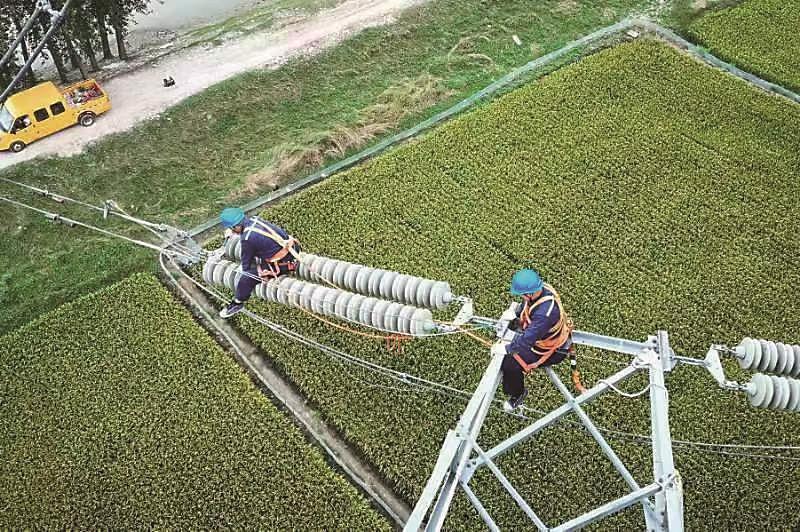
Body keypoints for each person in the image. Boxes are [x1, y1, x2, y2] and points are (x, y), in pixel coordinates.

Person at [491, 269, 574, 412]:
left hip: (551, 350)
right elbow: (528, 306)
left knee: (509, 364)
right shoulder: (543, 289)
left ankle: (518, 394)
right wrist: (515, 313)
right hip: (544, 335)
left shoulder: (544, 315)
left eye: (522, 295)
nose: (522, 298)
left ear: (529, 294)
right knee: (512, 340)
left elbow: (527, 341)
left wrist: (506, 349)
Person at [218, 207, 301, 318]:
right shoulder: (255, 219)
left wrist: (249, 271)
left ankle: (237, 303)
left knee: (246, 278)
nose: (233, 232)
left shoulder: (247, 238)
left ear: (235, 226)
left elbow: (246, 263)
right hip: (293, 247)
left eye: (232, 229)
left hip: (284, 262)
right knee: (259, 253)